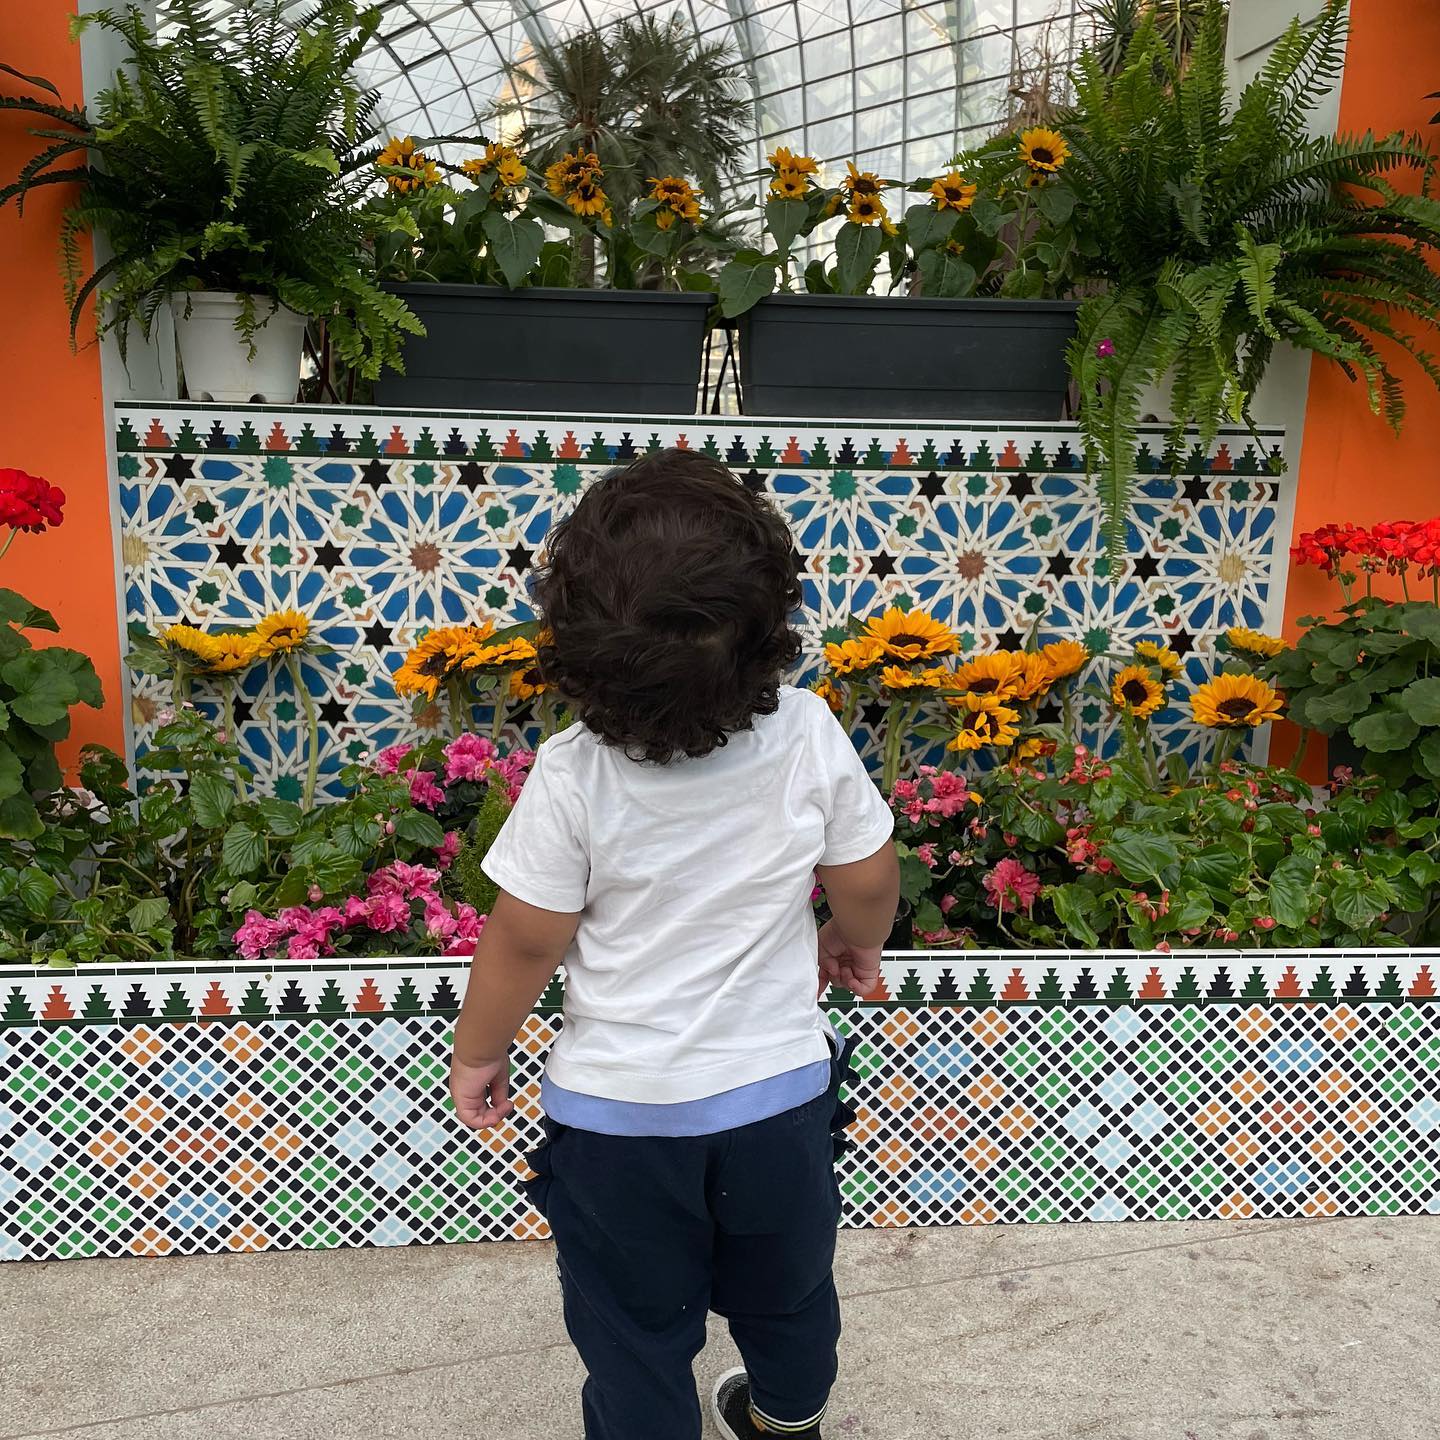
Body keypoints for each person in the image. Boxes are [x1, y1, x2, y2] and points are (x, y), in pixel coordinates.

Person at [449, 449, 900, 1440]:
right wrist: (849, 942)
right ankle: (786, 1417)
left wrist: (482, 1051)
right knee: (788, 1294)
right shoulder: (807, 733)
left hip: (617, 1129)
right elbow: (866, 877)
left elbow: (525, 940)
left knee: (632, 1333)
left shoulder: (573, 777)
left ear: (574, 642)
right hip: (776, 1106)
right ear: (770, 624)